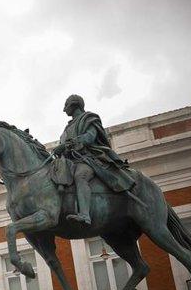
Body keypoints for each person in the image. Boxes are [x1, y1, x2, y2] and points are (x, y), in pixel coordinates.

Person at [52, 94, 136, 225]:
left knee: (80, 176)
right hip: (70, 162)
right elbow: (63, 145)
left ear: (74, 104)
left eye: (66, 106)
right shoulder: (67, 127)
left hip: (88, 159)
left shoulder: (89, 118)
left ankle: (85, 215)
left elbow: (89, 137)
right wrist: (60, 149)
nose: (64, 110)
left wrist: (68, 144)